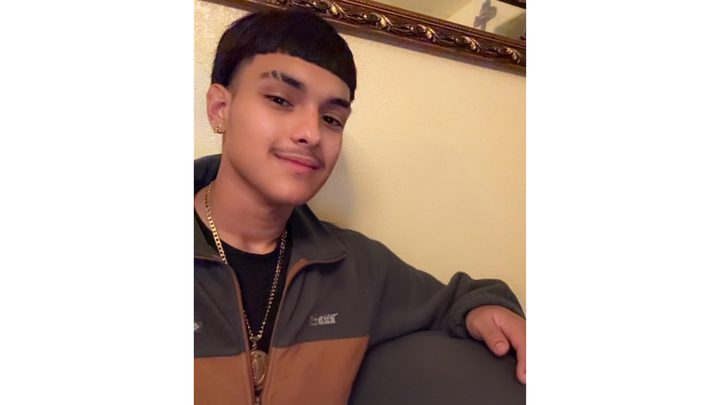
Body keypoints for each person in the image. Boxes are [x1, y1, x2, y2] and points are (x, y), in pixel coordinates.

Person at [194, 9, 526, 405]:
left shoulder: (354, 267)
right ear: (221, 108)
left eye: (332, 118)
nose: (311, 133)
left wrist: (486, 309)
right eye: (280, 100)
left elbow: (458, 298)